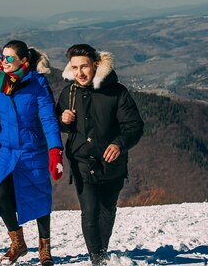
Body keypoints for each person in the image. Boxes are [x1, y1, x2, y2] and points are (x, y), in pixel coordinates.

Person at [0, 40, 64, 266]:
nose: (4, 62)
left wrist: (55, 150)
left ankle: (45, 248)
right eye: (2, 57)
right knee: (1, 194)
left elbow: (49, 118)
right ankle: (18, 242)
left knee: (39, 195)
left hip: (32, 147)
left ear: (24, 60)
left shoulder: (38, 83)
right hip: (5, 148)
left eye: (9, 58)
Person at [55, 44, 144, 266]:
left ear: (95, 64)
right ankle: (97, 260)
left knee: (107, 210)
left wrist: (120, 144)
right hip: (81, 161)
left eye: (84, 66)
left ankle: (101, 252)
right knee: (89, 210)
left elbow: (134, 126)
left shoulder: (117, 92)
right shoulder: (69, 93)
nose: (79, 73)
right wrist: (63, 121)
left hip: (111, 162)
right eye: (74, 68)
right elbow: (59, 124)